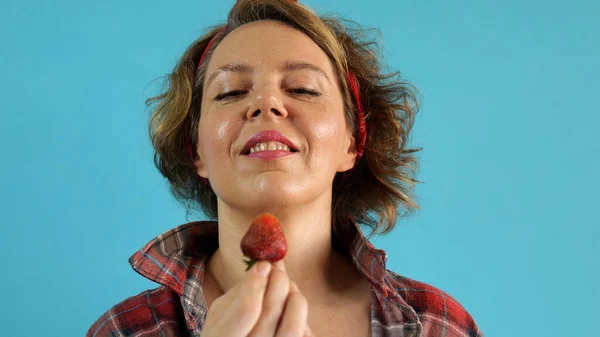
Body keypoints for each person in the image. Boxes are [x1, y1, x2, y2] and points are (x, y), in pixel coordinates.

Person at [86, 0, 484, 336]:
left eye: (302, 89)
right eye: (231, 92)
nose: (266, 104)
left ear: (352, 142)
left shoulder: (438, 325)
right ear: (197, 151)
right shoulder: (128, 330)